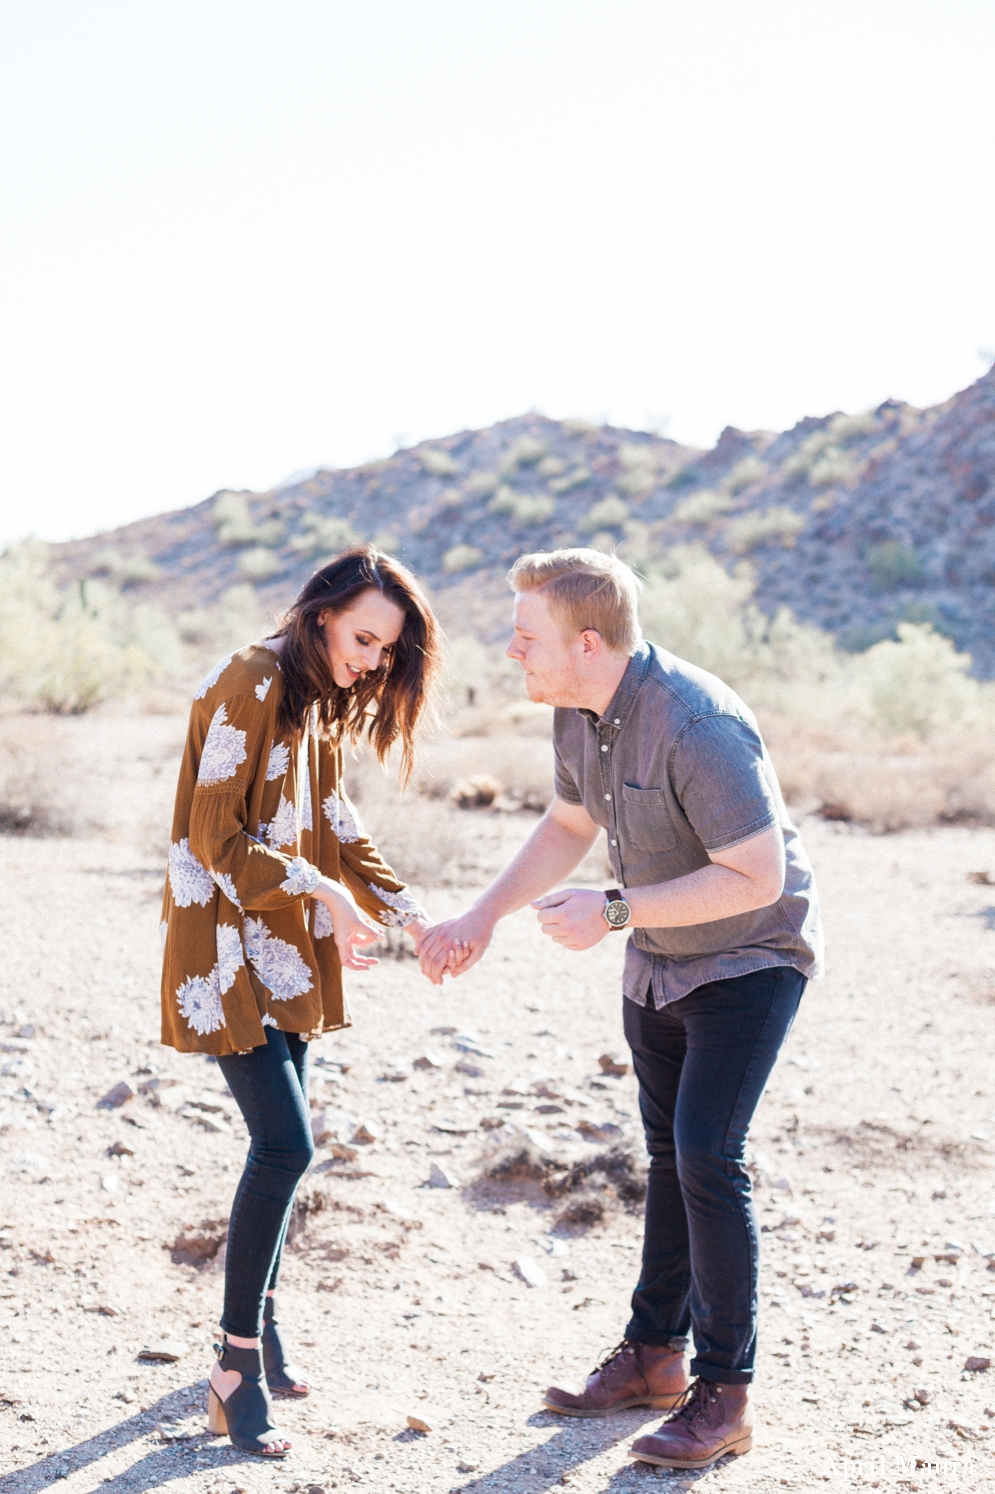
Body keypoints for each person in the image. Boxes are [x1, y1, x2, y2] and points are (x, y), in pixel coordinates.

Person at [420, 548, 822, 1472]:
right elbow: (570, 824)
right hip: (658, 963)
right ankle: (653, 1358)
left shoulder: (697, 722)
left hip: (749, 958)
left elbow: (754, 876)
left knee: (707, 1159)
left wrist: (612, 911)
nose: (511, 650)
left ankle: (726, 1396)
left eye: (527, 636)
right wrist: (482, 915)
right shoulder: (579, 712)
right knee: (666, 1158)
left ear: (587, 641)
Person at [160, 545, 442, 1458]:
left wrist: (415, 914)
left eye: (386, 651)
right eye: (364, 637)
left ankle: (262, 1330)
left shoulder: (315, 702)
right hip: (227, 945)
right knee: (287, 1146)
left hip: (281, 951)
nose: (371, 660)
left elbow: (336, 825)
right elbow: (213, 835)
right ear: (321, 613)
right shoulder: (252, 679)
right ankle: (233, 1367)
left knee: (278, 1149)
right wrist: (318, 891)